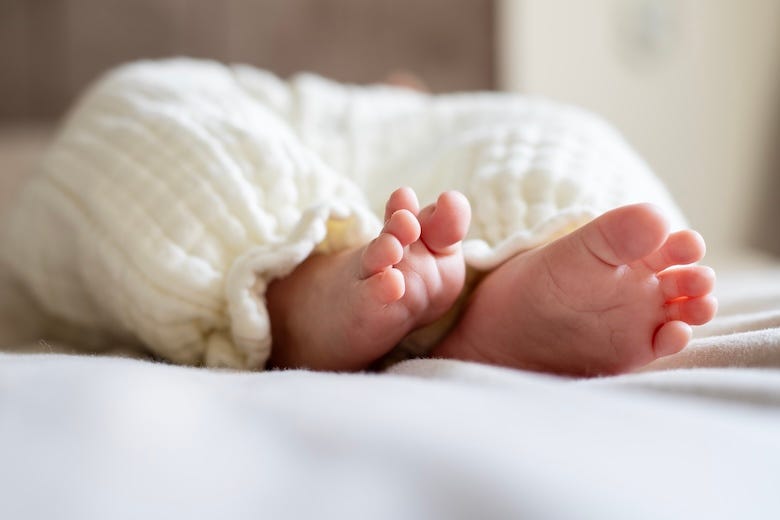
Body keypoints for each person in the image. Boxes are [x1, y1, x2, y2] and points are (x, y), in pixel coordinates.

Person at [0, 59, 716, 376]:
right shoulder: (263, 105)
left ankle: (504, 284)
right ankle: (296, 288)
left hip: (438, 203)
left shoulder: (436, 120)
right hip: (273, 181)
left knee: (566, 132)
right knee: (134, 107)